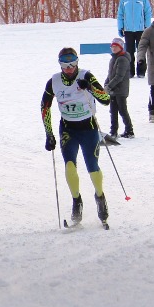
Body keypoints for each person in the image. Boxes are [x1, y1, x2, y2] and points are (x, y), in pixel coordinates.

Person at [41, 47, 112, 225]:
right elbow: (44, 107)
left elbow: (106, 99)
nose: (69, 69)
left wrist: (89, 88)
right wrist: (48, 133)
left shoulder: (86, 76)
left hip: (88, 128)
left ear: (77, 63)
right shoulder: (54, 81)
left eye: (72, 65)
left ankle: (100, 197)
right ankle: (76, 201)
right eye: (65, 66)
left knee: (92, 167)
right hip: (68, 129)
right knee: (70, 165)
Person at [117, 0, 153, 77]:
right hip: (128, 30)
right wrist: (120, 27)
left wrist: (147, 26)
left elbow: (147, 13)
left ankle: (141, 71)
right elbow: (120, 14)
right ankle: (130, 71)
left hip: (141, 29)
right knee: (129, 51)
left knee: (140, 51)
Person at [104, 37, 135, 139]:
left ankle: (129, 130)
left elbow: (119, 77)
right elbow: (110, 75)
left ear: (120, 47)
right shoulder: (113, 59)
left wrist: (109, 86)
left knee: (122, 110)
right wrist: (106, 84)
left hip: (120, 90)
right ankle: (113, 131)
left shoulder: (122, 59)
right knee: (113, 111)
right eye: (112, 46)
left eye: (116, 47)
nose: (113, 48)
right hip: (113, 90)